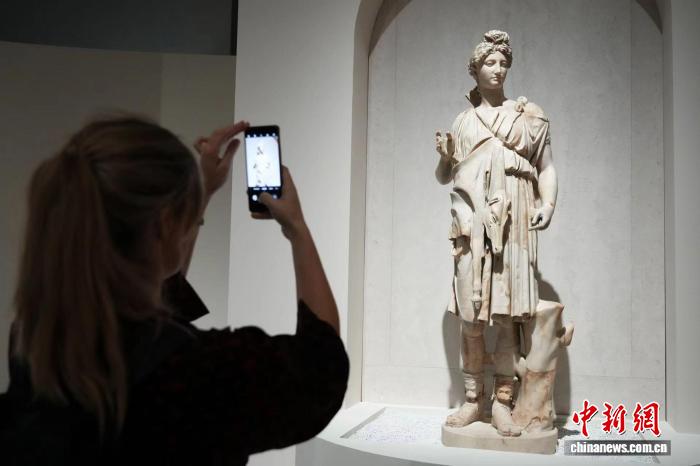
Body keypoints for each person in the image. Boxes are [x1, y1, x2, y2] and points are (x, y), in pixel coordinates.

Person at [0, 115, 349, 464]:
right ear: (166, 225)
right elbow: (321, 369)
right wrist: (296, 229)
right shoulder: (199, 374)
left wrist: (201, 191)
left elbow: (154, 312)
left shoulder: (35, 342)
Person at [434, 30, 558, 436]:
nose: (498, 69)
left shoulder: (527, 116)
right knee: (471, 318)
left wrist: (547, 204)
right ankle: (473, 400)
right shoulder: (463, 121)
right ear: (475, 69)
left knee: (505, 317)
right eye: (490, 62)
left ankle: (502, 401)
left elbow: (547, 167)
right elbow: (445, 176)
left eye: (504, 62)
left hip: (514, 222)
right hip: (471, 222)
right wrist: (444, 157)